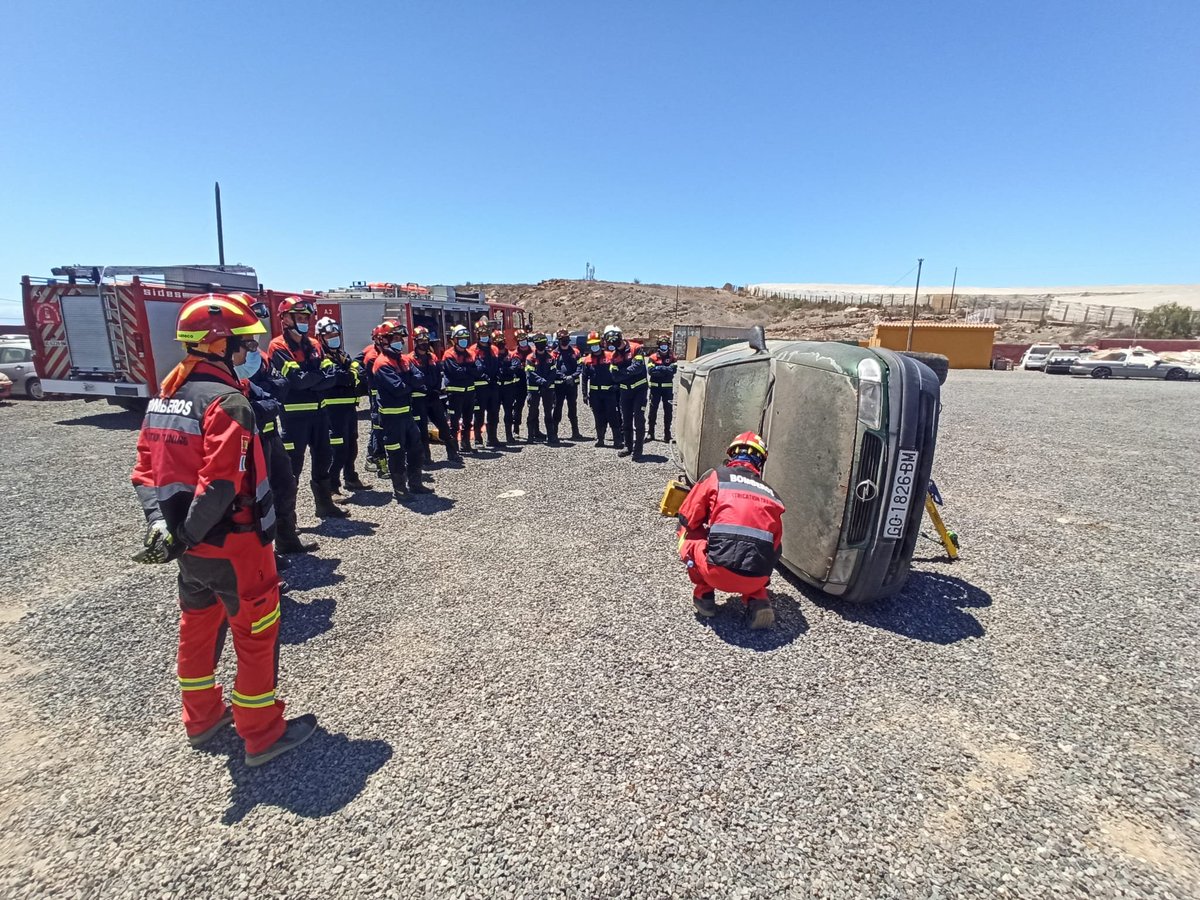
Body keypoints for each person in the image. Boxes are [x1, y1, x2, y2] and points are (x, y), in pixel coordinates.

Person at [131, 292, 317, 766]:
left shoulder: (165, 398)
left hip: (189, 551)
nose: (248, 350)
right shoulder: (227, 402)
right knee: (256, 636)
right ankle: (261, 732)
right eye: (242, 342)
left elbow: (145, 471)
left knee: (197, 628)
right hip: (234, 546)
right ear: (219, 344)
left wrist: (165, 530)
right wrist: (188, 533)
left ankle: (202, 717)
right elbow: (220, 481)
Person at [227, 295, 317, 557]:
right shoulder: (226, 360)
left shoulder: (259, 355)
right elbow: (280, 388)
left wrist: (266, 393)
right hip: (248, 440)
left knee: (285, 485)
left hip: (269, 434)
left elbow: (281, 387)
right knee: (255, 498)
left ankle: (287, 539)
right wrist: (266, 394)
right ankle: (264, 556)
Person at [675, 431, 784, 630]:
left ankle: (704, 595)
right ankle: (758, 599)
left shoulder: (717, 476)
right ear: (761, 461)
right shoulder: (772, 495)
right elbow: (776, 549)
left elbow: (688, 518)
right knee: (761, 546)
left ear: (732, 455)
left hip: (716, 573)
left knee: (685, 530)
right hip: (757, 577)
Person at [267, 296, 347, 519]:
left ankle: (324, 505)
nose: (304, 321)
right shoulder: (278, 346)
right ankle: (286, 520)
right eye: (299, 317)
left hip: (320, 414)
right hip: (294, 417)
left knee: (324, 459)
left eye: (306, 317)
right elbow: (297, 381)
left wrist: (312, 378)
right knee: (291, 469)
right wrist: (316, 378)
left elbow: (332, 377)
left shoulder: (314, 345)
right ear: (286, 319)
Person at [370, 320, 433, 500]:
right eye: (395, 338)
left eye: (400, 338)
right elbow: (397, 388)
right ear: (385, 340)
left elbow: (420, 377)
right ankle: (399, 489)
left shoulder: (404, 359)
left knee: (416, 449)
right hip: (391, 417)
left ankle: (415, 483)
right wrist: (410, 383)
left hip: (406, 413)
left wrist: (409, 383)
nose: (399, 341)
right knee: (396, 453)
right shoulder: (382, 363)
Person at [315, 316, 369, 497]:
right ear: (321, 337)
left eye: (336, 334)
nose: (334, 337)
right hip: (332, 411)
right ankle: (332, 486)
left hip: (349, 408)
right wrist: (350, 375)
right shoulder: (321, 356)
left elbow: (358, 371)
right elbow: (339, 377)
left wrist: (351, 373)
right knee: (337, 449)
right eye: (329, 335)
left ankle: (351, 478)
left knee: (352, 445)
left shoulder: (342, 354)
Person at [407, 326, 461, 464]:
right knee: (422, 429)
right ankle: (425, 457)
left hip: (434, 397)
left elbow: (438, 374)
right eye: (421, 340)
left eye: (426, 339)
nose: (424, 342)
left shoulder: (433, 357)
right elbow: (412, 379)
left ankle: (452, 452)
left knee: (443, 425)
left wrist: (437, 389)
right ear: (415, 341)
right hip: (419, 399)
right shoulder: (410, 359)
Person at [607, 325, 648, 460]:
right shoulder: (614, 356)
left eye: (615, 341)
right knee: (626, 420)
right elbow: (614, 376)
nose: (614, 344)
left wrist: (623, 373)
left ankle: (638, 450)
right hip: (625, 391)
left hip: (639, 390)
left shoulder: (636, 348)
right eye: (611, 342)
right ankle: (628, 446)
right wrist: (625, 374)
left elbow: (638, 367)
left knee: (639, 420)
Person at [442, 324, 479, 454]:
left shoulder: (470, 354)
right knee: (454, 422)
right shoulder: (449, 355)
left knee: (468, 420)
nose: (464, 340)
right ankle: (454, 448)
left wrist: (466, 370)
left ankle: (466, 444)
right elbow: (456, 373)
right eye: (460, 338)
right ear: (454, 340)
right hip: (455, 394)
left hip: (469, 392)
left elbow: (477, 371)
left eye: (466, 338)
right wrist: (469, 370)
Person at [580, 331, 619, 447]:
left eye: (596, 343)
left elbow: (618, 372)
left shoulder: (610, 356)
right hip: (595, 394)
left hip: (609, 393)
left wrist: (617, 386)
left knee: (613, 416)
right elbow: (584, 378)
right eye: (592, 344)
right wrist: (584, 394)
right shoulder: (587, 360)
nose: (594, 346)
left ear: (600, 343)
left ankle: (617, 440)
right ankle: (600, 439)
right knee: (598, 417)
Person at [471, 318, 504, 448]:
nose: (484, 336)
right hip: (480, 388)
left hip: (493, 387)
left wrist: (498, 374)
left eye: (486, 333)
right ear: (477, 334)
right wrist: (484, 376)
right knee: (479, 414)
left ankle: (492, 438)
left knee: (494, 413)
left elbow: (498, 364)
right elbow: (474, 367)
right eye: (482, 334)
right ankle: (478, 439)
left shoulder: (494, 349)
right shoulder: (472, 350)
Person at [524, 332, 560, 445]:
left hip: (548, 388)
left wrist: (547, 382)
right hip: (534, 389)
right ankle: (531, 436)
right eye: (539, 343)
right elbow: (530, 373)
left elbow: (553, 371)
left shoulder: (550, 357)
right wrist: (542, 381)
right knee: (532, 413)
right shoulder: (530, 358)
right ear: (535, 344)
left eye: (543, 342)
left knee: (548, 413)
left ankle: (551, 436)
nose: (541, 345)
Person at [552, 328, 584, 440]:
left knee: (572, 408)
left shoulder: (576, 352)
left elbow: (580, 367)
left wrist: (573, 376)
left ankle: (575, 433)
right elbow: (552, 369)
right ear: (558, 340)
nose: (564, 341)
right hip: (559, 385)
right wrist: (563, 376)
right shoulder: (554, 353)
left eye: (566, 339)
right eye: (562, 339)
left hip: (572, 385)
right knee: (557, 408)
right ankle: (554, 433)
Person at [646, 335, 678, 443]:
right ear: (658, 346)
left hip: (667, 389)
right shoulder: (653, 357)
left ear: (668, 346)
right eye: (662, 345)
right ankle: (650, 433)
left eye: (665, 345)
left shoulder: (672, 357)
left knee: (668, 412)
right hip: (655, 389)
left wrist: (659, 369)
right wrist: (665, 369)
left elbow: (673, 371)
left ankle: (667, 435)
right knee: (652, 411)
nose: (664, 347)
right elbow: (651, 371)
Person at [494, 329, 522, 445]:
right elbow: (492, 369)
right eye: (497, 341)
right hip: (495, 388)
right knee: (493, 413)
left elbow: (515, 367)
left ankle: (509, 436)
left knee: (509, 412)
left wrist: (503, 370)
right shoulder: (493, 355)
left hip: (508, 387)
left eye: (501, 340)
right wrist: (504, 370)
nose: (500, 343)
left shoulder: (511, 355)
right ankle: (493, 438)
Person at [510, 331, 535, 441]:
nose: (522, 341)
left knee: (534, 407)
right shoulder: (514, 354)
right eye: (520, 339)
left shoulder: (534, 352)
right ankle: (516, 429)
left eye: (524, 339)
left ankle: (535, 430)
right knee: (518, 407)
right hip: (519, 384)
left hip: (533, 383)